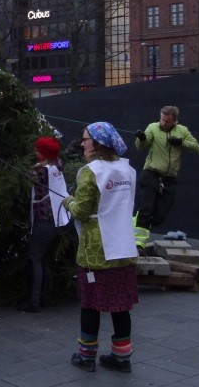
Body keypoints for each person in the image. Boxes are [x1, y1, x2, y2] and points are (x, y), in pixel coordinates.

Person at [64, 122, 138, 373]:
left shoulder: (89, 171)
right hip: (124, 243)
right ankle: (121, 357)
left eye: (85, 139)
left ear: (97, 143)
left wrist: (68, 201)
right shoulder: (127, 169)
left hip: (96, 247)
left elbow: (82, 210)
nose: (82, 143)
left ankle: (86, 356)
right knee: (120, 303)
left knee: (91, 302)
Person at [18, 136, 70, 313]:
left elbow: (23, 175)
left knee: (35, 257)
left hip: (45, 220)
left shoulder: (41, 172)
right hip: (58, 219)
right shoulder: (57, 165)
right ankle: (44, 298)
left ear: (44, 153)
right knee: (45, 258)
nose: (34, 152)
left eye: (37, 150)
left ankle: (34, 302)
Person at [133, 105, 199, 228]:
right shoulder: (153, 127)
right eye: (162, 119)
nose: (163, 123)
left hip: (169, 178)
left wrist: (181, 142)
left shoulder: (182, 130)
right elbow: (141, 146)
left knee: (161, 213)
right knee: (146, 208)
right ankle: (138, 242)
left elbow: (196, 147)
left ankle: (139, 221)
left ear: (174, 121)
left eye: (167, 121)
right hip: (151, 173)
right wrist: (141, 138)